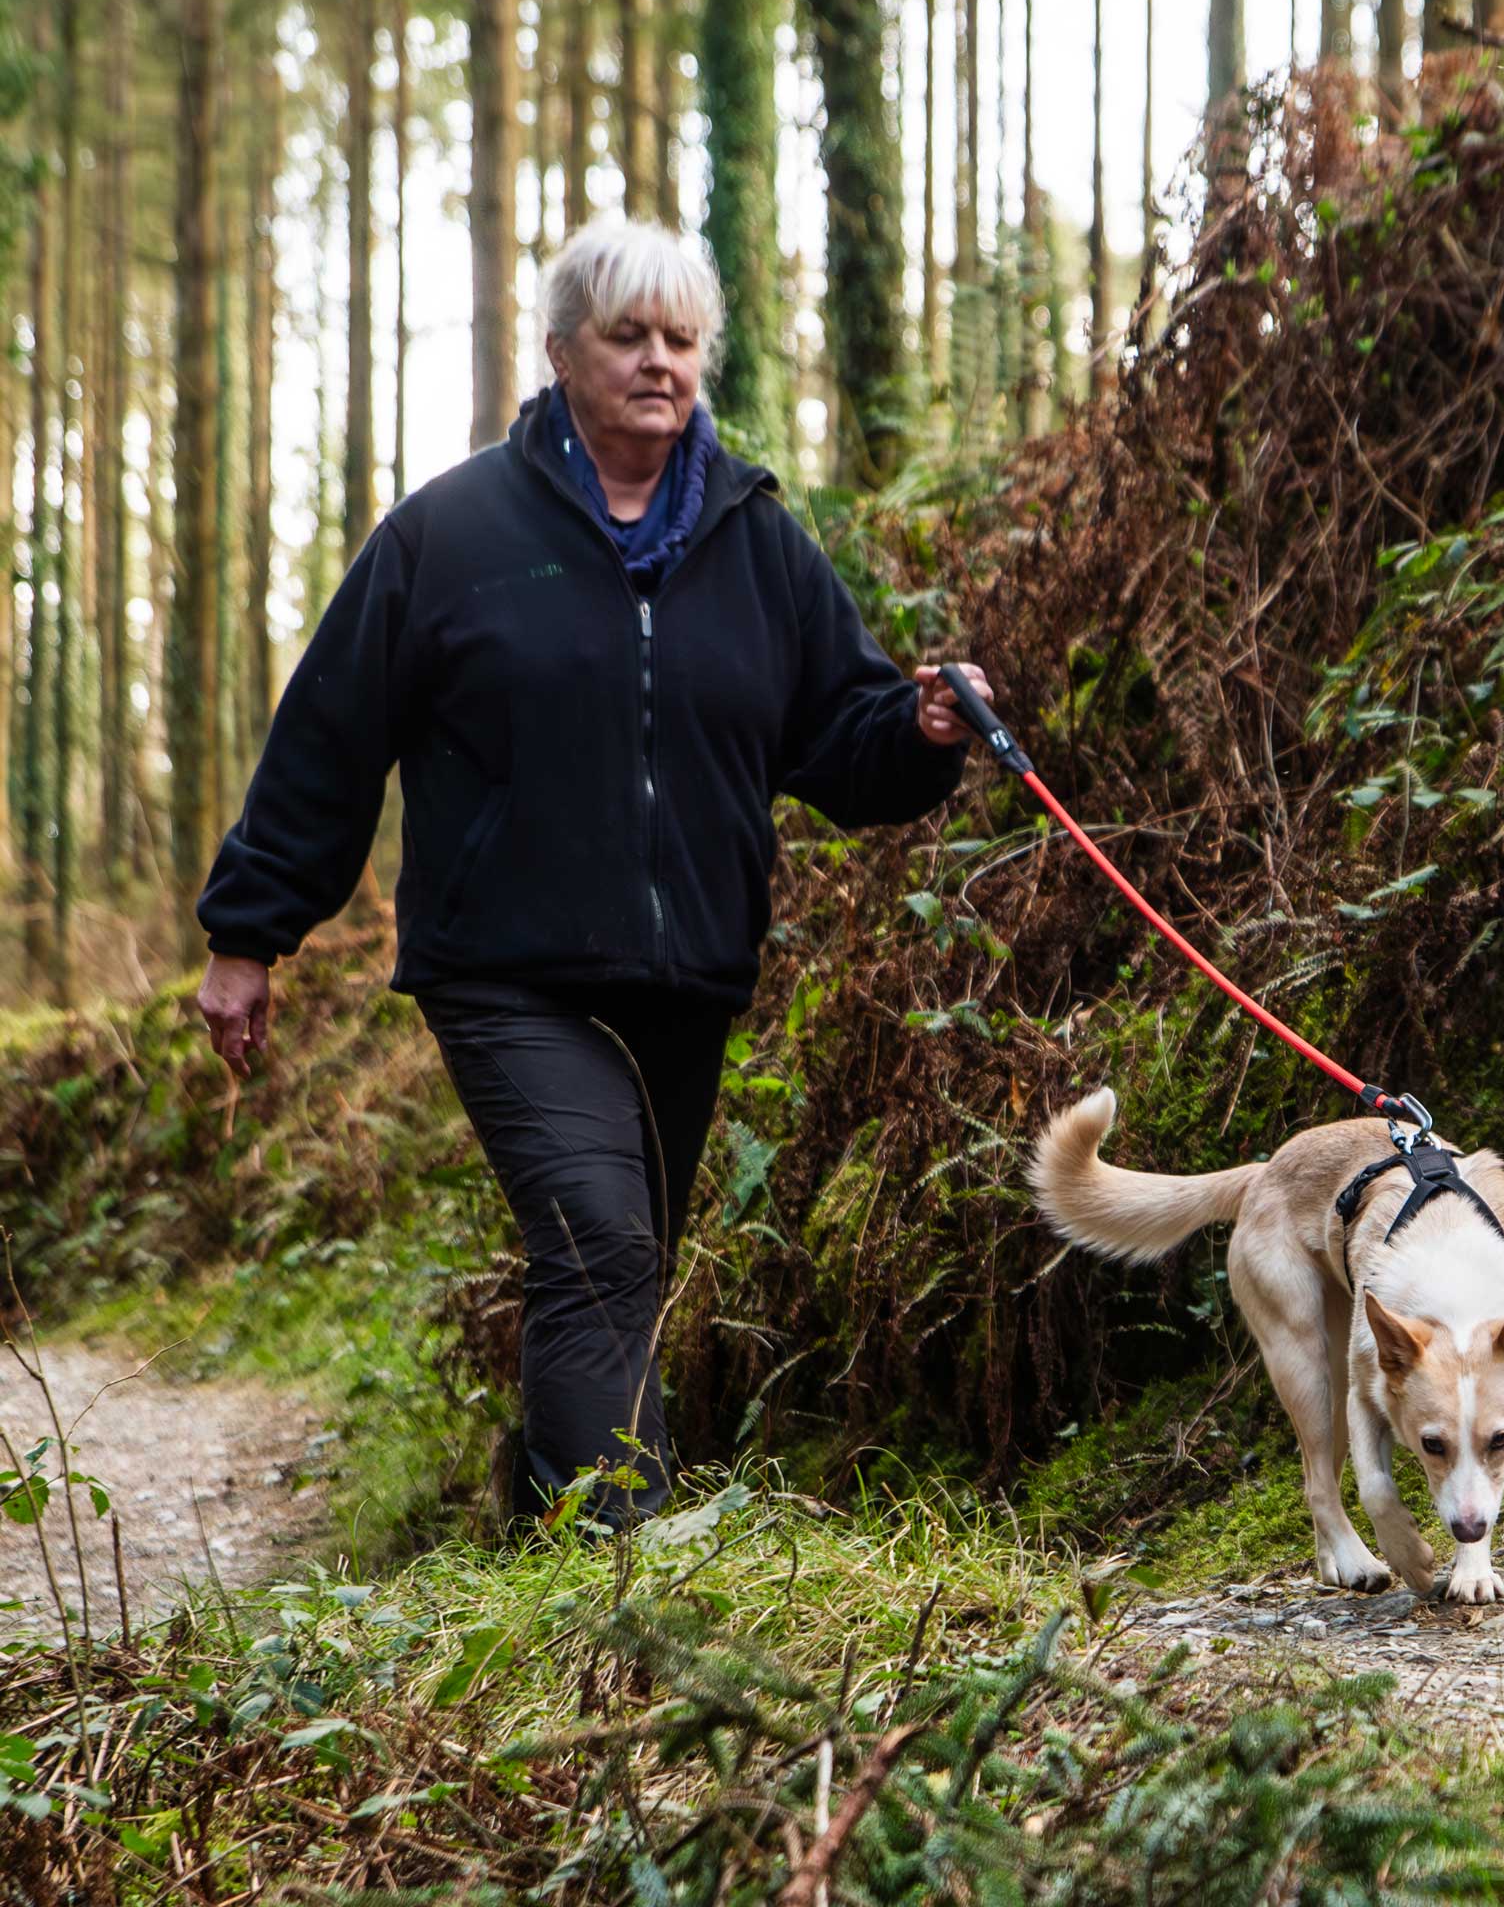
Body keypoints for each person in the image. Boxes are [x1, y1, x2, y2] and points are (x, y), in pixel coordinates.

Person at [195, 217, 992, 1528]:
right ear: (564, 352)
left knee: (621, 1264)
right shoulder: (450, 535)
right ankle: (619, 1564)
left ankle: (539, 1520)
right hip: (505, 971)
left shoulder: (758, 541)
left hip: (687, 978)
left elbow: (844, 744)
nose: (659, 362)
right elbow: (327, 739)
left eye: (681, 338)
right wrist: (248, 934)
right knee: (602, 1242)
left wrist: (922, 728)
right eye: (628, 336)